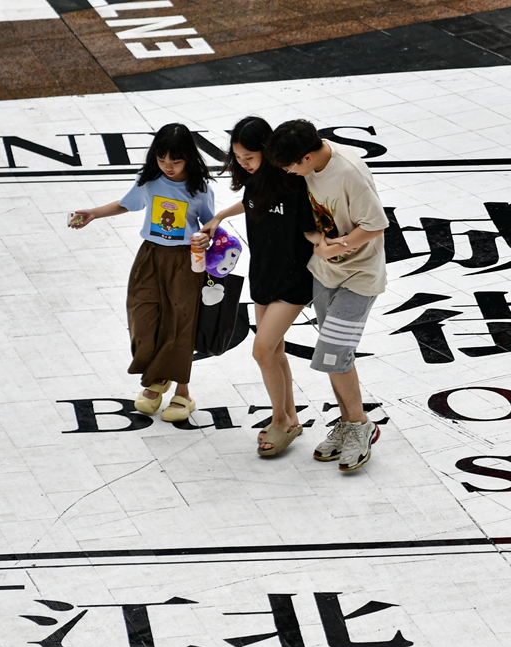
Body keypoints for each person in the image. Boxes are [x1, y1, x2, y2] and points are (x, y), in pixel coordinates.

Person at [69, 123, 215, 423]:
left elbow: (210, 226)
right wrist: (94, 212)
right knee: (141, 315)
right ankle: (157, 377)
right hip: (150, 255)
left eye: (175, 161)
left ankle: (183, 392)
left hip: (185, 260)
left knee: (181, 322)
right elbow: (127, 204)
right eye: (162, 160)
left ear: (188, 157)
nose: (168, 167)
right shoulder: (148, 181)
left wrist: (206, 237)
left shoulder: (200, 189)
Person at [266, 119, 388, 472]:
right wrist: (319, 244)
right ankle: (349, 423)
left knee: (334, 353)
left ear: (306, 156)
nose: (290, 173)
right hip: (324, 274)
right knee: (333, 355)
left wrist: (339, 247)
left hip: (359, 276)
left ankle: (361, 425)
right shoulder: (309, 171)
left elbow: (376, 224)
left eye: (290, 166)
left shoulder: (349, 172)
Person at [201, 117, 316, 457]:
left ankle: (281, 421)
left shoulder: (293, 183)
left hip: (295, 280)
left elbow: (311, 229)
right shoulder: (254, 183)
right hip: (263, 277)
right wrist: (221, 215)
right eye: (237, 157)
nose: (243, 164)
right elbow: (250, 203)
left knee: (262, 350)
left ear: (267, 151)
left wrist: (335, 247)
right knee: (275, 351)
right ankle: (290, 416)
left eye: (249, 157)